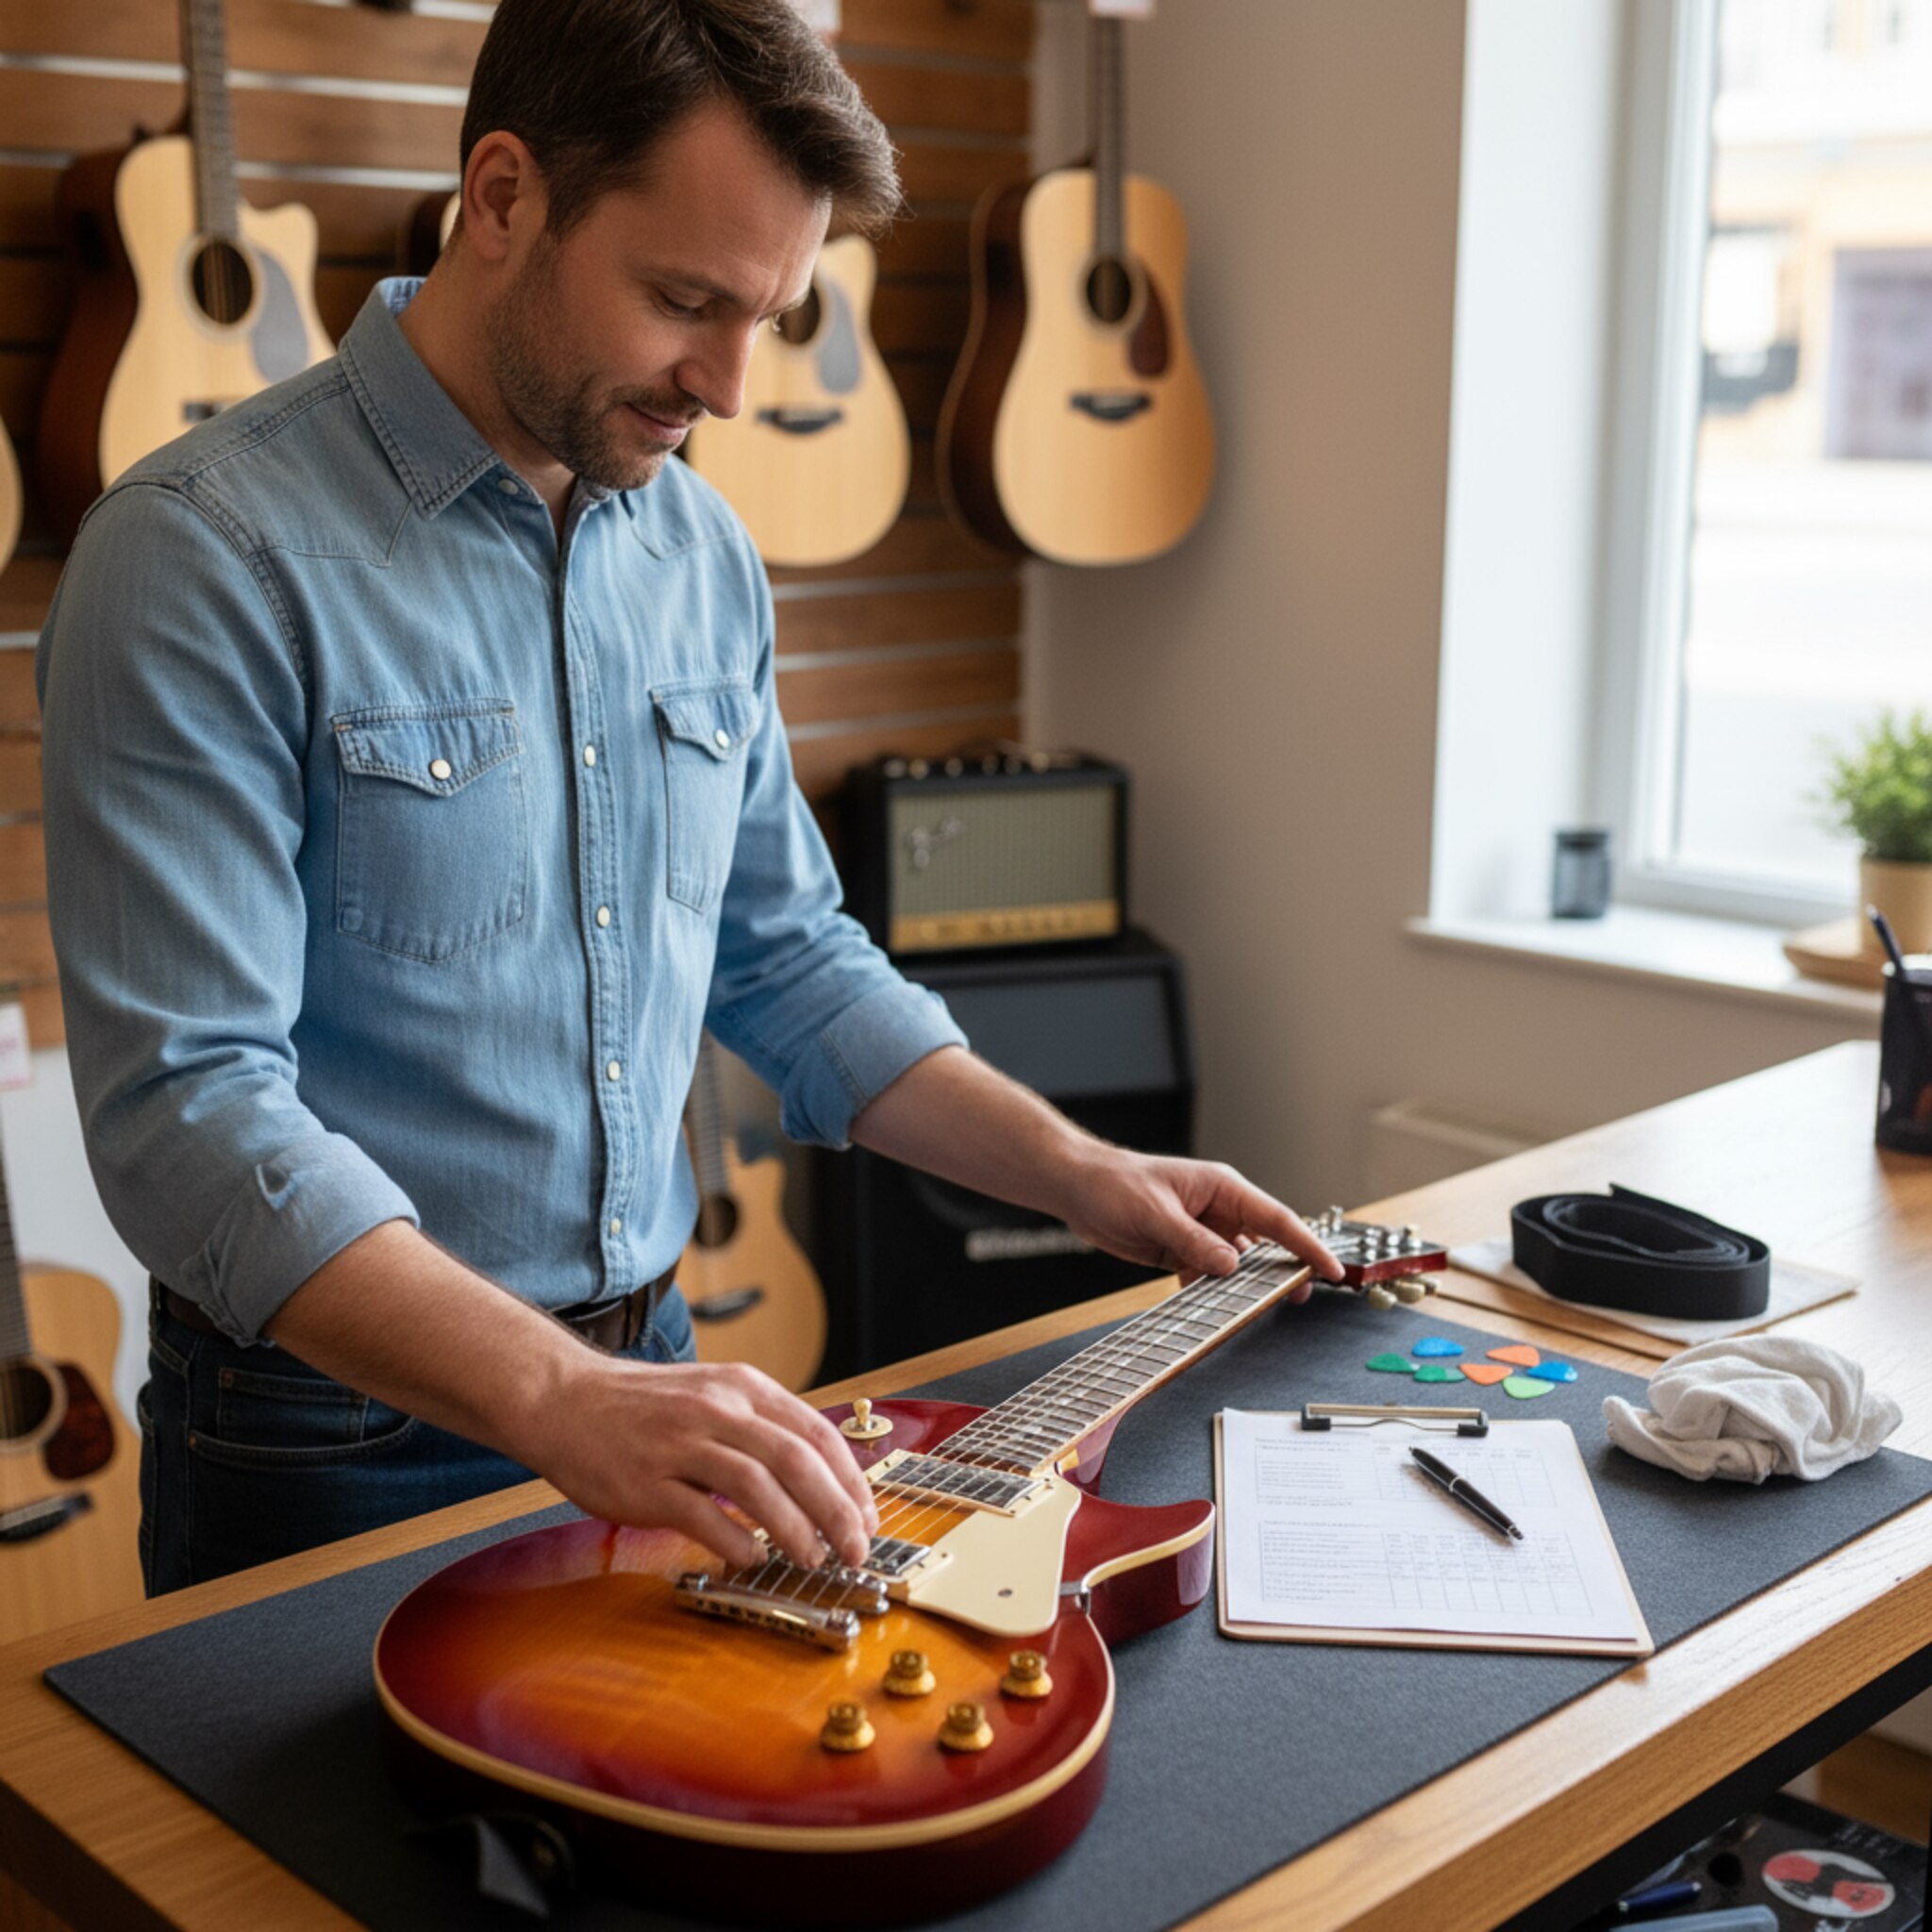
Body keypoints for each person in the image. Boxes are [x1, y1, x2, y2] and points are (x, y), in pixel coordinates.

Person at [37, 0, 1340, 1598]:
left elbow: (786, 957)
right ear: (502, 197)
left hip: (667, 1375)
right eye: (683, 301)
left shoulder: (698, 546)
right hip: (335, 1437)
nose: (726, 382)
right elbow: (189, 1114)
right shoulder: (199, 554)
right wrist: (557, 1395)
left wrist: (1084, 1175)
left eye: (773, 321)